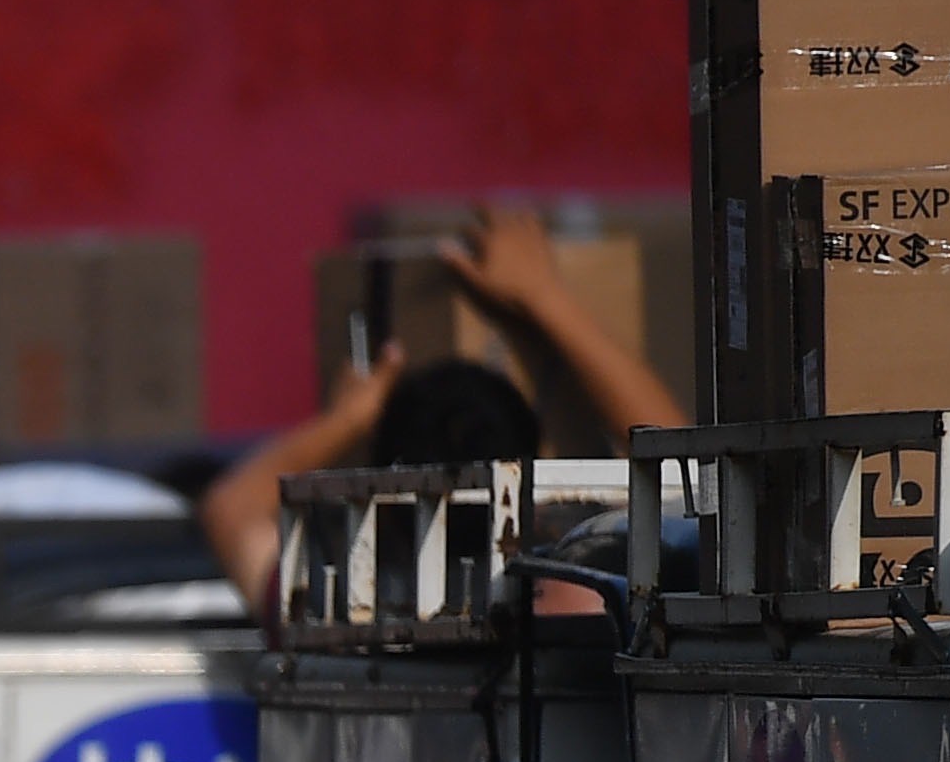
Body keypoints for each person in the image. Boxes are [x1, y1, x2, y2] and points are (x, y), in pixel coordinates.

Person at [196, 207, 685, 604]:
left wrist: (347, 418)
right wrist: (547, 298)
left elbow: (231, 509)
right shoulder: (580, 602)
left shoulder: (343, 616)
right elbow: (680, 465)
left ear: (384, 497)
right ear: (532, 487)